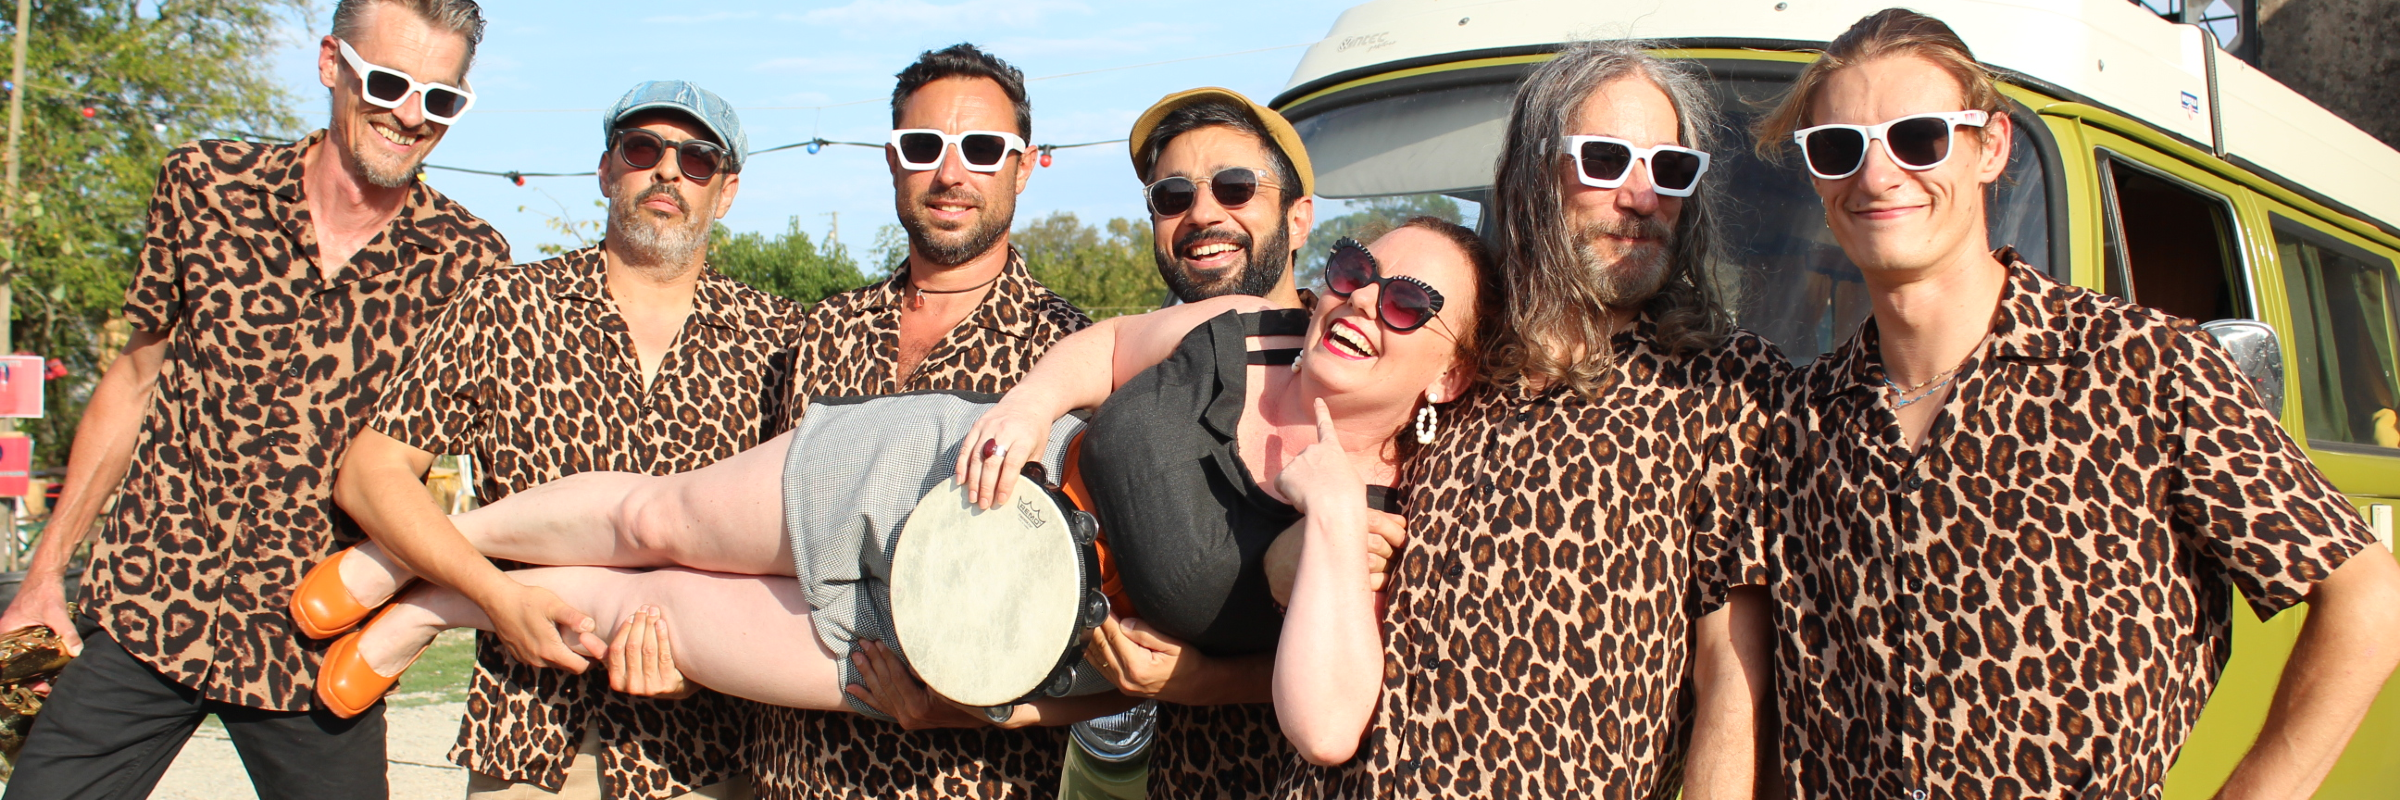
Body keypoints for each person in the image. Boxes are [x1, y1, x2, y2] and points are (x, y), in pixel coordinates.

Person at [299, 218, 1488, 774]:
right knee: (657, 520)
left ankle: (431, 610)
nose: (1357, 301)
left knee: (651, 609)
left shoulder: (1366, 517)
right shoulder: (1249, 327)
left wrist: (1329, 510)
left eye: (1404, 305)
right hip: (944, 464)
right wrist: (1023, 406)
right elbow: (1110, 344)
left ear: (1457, 367)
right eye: (1356, 269)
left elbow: (1307, 716)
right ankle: (424, 553)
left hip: (981, 646)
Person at [1752, 9, 2400, 798]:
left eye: (1919, 137)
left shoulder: (2146, 366)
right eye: (1838, 147)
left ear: (1990, 146)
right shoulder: (1800, 418)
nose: (1878, 174)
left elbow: (2367, 594)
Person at [0, 2, 506, 798]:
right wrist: (42, 577)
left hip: (315, 643)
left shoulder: (469, 262)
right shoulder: (205, 186)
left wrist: (415, 619)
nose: (411, 116)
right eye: (389, 82)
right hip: (148, 607)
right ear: (331, 63)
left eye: (441, 98)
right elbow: (132, 383)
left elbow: (456, 471)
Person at [1274, 40, 1784, 799]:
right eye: (1606, 161)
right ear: (1532, 174)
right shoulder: (1450, 347)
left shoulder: (1723, 386)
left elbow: (1734, 691)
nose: (1643, 198)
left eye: (1670, 170)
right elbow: (1326, 512)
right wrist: (1290, 554)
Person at [315, 81, 796, 800]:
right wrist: (491, 597)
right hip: (531, 733)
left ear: (725, 192)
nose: (668, 171)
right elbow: (372, 474)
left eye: (697, 160)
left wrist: (699, 650)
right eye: (644, 149)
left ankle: (413, 607)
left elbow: (794, 535)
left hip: (707, 748)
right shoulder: (506, 306)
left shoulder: (780, 340)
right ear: (607, 171)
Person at [749, 43, 1095, 800]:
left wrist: (964, 711)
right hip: (792, 771)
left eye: (980, 148)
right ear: (892, 161)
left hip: (964, 781)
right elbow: (777, 543)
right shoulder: (820, 332)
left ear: (1024, 166)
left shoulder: (1071, 356)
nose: (950, 174)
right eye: (923, 147)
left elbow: (1101, 634)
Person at [1064, 86, 1359, 800]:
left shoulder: (1354, 371)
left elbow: (1381, 629)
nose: (1202, 214)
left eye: (1235, 188)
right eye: (1172, 196)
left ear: (1299, 218)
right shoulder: (1119, 376)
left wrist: (1205, 683)